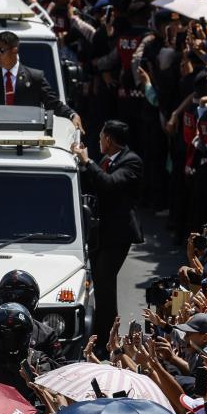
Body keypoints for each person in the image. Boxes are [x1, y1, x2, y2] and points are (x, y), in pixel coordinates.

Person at [72, 120, 143, 353]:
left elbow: (110, 184)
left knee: (105, 287)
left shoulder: (131, 162)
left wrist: (88, 161)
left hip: (118, 234)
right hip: (100, 233)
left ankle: (106, 342)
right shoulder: (106, 161)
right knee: (101, 287)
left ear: (109, 140)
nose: (99, 141)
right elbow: (92, 184)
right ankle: (101, 337)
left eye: (101, 137)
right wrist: (82, 165)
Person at [0, 31, 81, 128]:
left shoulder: (35, 77)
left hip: (28, 138)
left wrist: (71, 115)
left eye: (0, 51)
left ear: (15, 50)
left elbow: (53, 104)